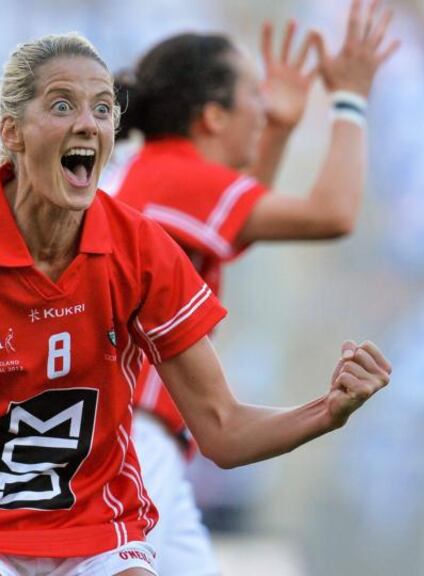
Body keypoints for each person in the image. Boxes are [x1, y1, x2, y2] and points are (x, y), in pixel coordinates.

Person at [0, 32, 391, 576]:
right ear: (11, 132)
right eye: (62, 105)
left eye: (103, 108)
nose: (88, 123)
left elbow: (224, 429)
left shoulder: (139, 245)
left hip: (96, 522)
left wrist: (328, 410)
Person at [110, 1, 398, 573]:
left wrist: (282, 131)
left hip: (137, 436)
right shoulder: (174, 176)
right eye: (253, 97)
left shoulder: (158, 175)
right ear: (212, 117)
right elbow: (332, 213)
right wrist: (350, 98)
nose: (263, 108)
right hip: (132, 437)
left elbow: (231, 229)